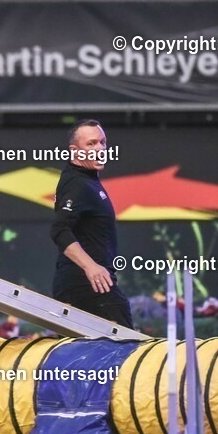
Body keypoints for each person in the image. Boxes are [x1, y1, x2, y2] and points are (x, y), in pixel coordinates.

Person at [50, 119, 134, 328]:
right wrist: (91, 268)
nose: (100, 148)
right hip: (87, 287)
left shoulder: (86, 180)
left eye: (103, 142)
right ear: (74, 151)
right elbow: (59, 230)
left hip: (84, 285)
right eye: (91, 144)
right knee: (125, 348)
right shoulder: (77, 184)